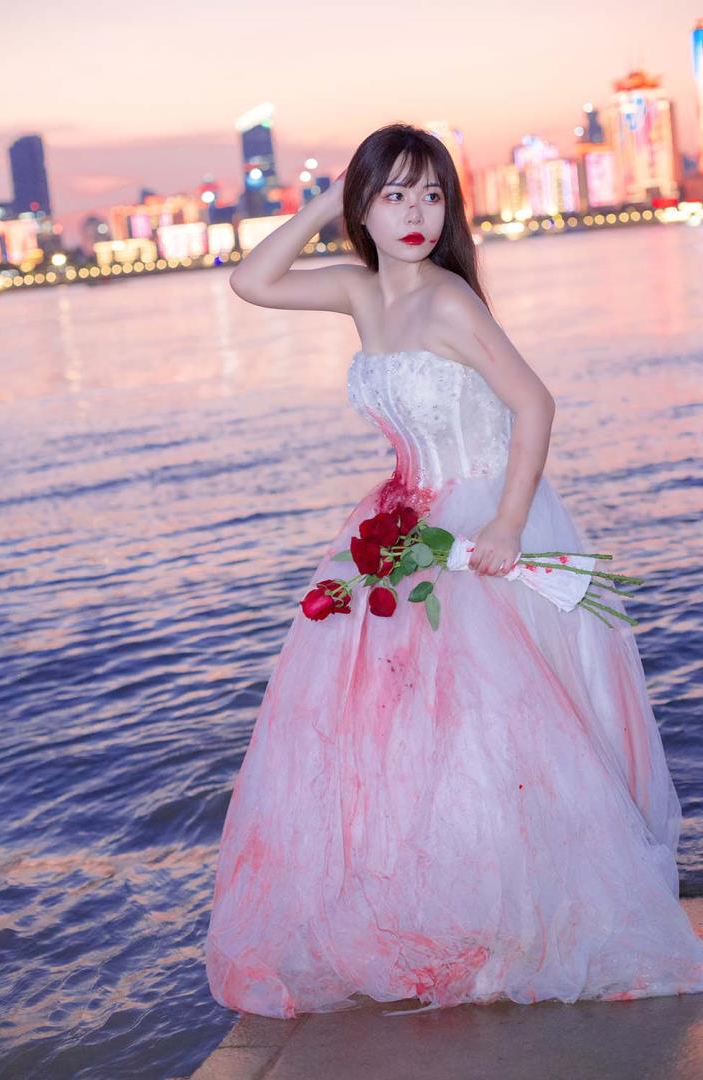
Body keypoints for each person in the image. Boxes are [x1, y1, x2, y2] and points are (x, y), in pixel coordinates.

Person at [205, 123, 703, 1018]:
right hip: (406, 520)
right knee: (402, 729)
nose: (417, 213)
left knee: (495, 726)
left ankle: (523, 915)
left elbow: (533, 402)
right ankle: (448, 911)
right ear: (362, 206)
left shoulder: (447, 300)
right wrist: (323, 201)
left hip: (483, 520)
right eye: (394, 193)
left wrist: (507, 523)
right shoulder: (360, 291)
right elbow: (252, 281)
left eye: (432, 194)